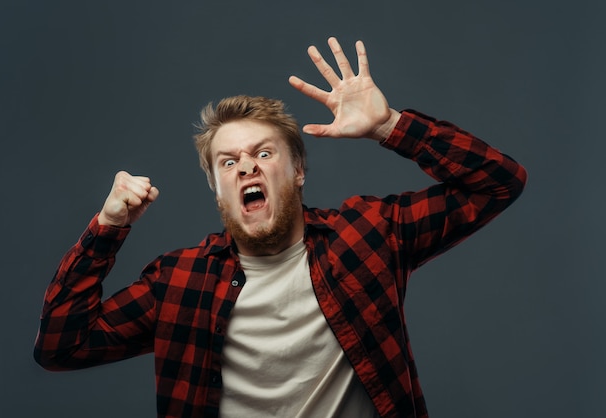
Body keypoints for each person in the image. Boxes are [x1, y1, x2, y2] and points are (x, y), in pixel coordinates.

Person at [34, 37, 527, 418]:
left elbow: (498, 183)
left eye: (263, 154)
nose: (246, 167)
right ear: (216, 186)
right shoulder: (179, 282)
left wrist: (389, 125)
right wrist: (108, 226)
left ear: (297, 171)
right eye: (228, 162)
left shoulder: (367, 236)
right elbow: (62, 346)